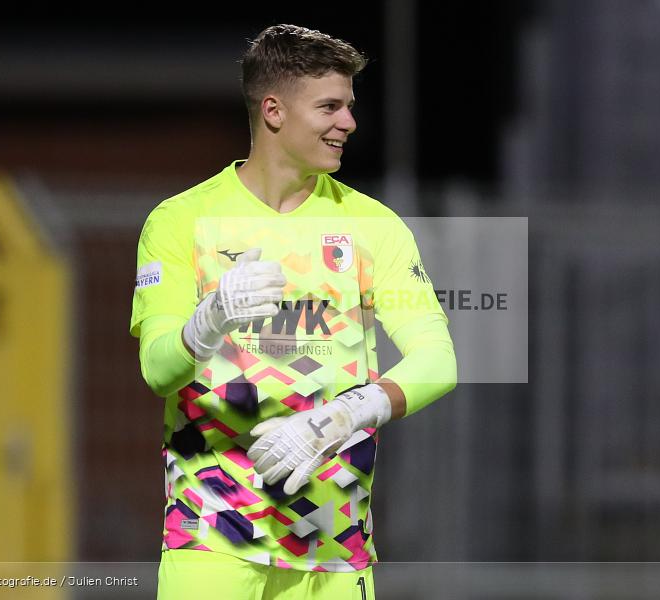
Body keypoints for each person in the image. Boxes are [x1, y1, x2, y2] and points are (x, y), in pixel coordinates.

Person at [130, 24, 456, 599]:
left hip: (333, 545)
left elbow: (437, 361)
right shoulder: (179, 222)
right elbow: (158, 370)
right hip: (211, 533)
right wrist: (208, 320)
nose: (348, 123)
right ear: (274, 111)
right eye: (329, 107)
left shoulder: (375, 227)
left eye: (350, 107)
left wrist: (339, 418)